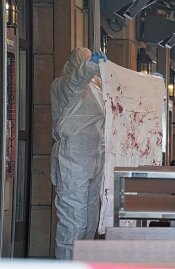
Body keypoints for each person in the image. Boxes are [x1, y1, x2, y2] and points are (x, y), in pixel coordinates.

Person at [50, 48, 107, 259]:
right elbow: (77, 80)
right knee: (73, 219)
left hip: (95, 154)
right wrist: (91, 65)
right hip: (73, 156)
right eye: (85, 60)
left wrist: (145, 85)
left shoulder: (97, 87)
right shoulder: (63, 85)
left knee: (90, 219)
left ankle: (83, 262)